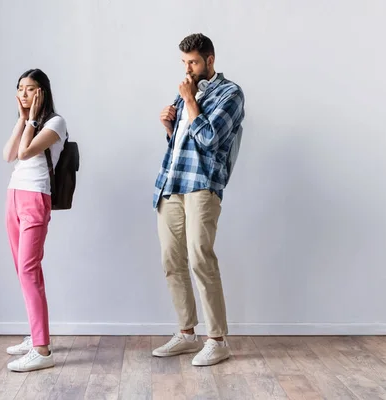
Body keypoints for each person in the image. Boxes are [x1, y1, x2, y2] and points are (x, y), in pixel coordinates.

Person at [152, 33, 245, 366]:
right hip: (172, 183)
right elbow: (183, 142)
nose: (187, 70)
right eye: (184, 63)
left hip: (202, 186)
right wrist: (168, 126)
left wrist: (189, 102)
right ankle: (187, 333)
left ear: (210, 60)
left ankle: (217, 340)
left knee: (199, 258)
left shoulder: (230, 93)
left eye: (192, 62)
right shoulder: (185, 95)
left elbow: (209, 139)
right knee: (170, 261)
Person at [2, 68, 67, 372]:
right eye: (20, 88)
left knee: (29, 270)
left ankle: (42, 351)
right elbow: (8, 155)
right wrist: (21, 119)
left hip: (36, 198)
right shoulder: (25, 121)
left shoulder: (56, 122)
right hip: (14, 195)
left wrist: (30, 119)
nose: (24, 94)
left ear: (43, 92)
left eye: (30, 89)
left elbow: (26, 152)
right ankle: (37, 335)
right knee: (24, 270)